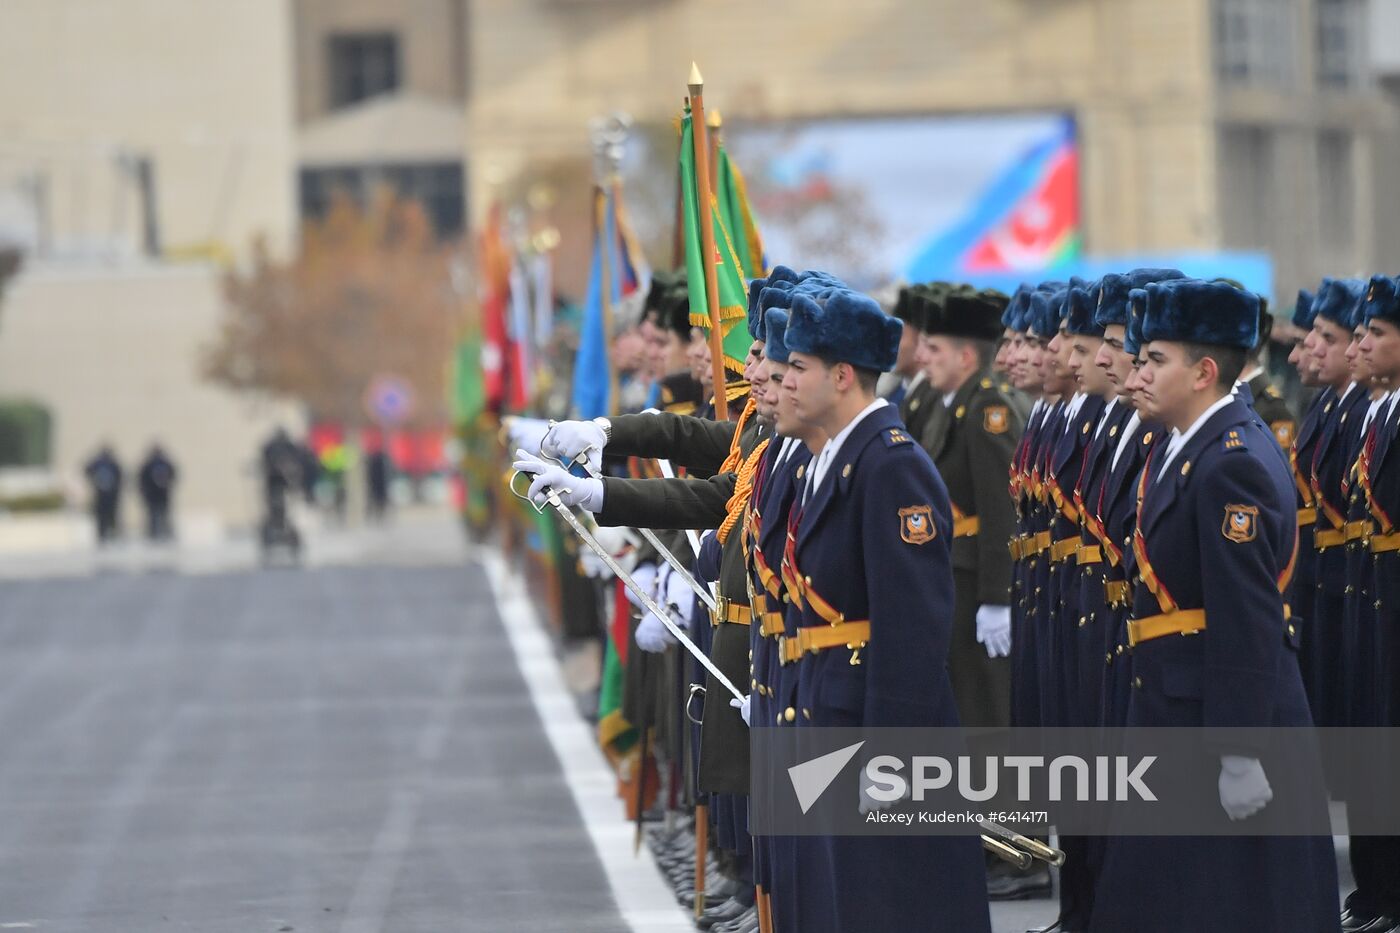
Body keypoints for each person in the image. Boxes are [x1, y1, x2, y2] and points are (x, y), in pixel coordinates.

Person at [1090, 278, 1338, 932]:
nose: (1136, 373)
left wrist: (1239, 748)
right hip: (1173, 702)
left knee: (1230, 900)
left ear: (1203, 371)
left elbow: (1247, 610)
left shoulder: (1231, 459)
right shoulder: (1182, 444)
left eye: (1154, 360)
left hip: (1213, 713)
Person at [775, 287, 991, 933]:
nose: (783, 381)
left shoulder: (890, 464)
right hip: (831, 703)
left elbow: (914, 622)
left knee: (892, 899)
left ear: (842, 376)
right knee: (845, 897)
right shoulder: (836, 459)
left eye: (797, 368)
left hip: (872, 722)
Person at [912, 288, 1022, 727]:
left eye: (936, 349)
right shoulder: (950, 405)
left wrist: (997, 597)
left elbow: (1001, 509)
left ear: (965, 357)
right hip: (953, 574)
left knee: (983, 708)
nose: (925, 357)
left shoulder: (986, 407)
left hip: (976, 579)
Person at [1345, 275, 1400, 933]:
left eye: (1376, 334)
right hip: (1372, 600)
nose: (1362, 344)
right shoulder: (1378, 411)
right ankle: (1377, 890)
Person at [137, 443, 177, 541]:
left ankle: (162, 533)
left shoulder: (161, 463)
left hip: (160, 494)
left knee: (161, 514)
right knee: (154, 515)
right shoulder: (150, 464)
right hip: (154, 494)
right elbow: (142, 478)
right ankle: (155, 533)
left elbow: (173, 475)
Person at [84, 445, 123, 544]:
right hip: (101, 496)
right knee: (102, 517)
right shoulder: (99, 463)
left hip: (111, 496)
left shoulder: (112, 463)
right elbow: (87, 469)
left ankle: (111, 534)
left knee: (111, 516)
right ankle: (102, 535)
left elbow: (119, 477)